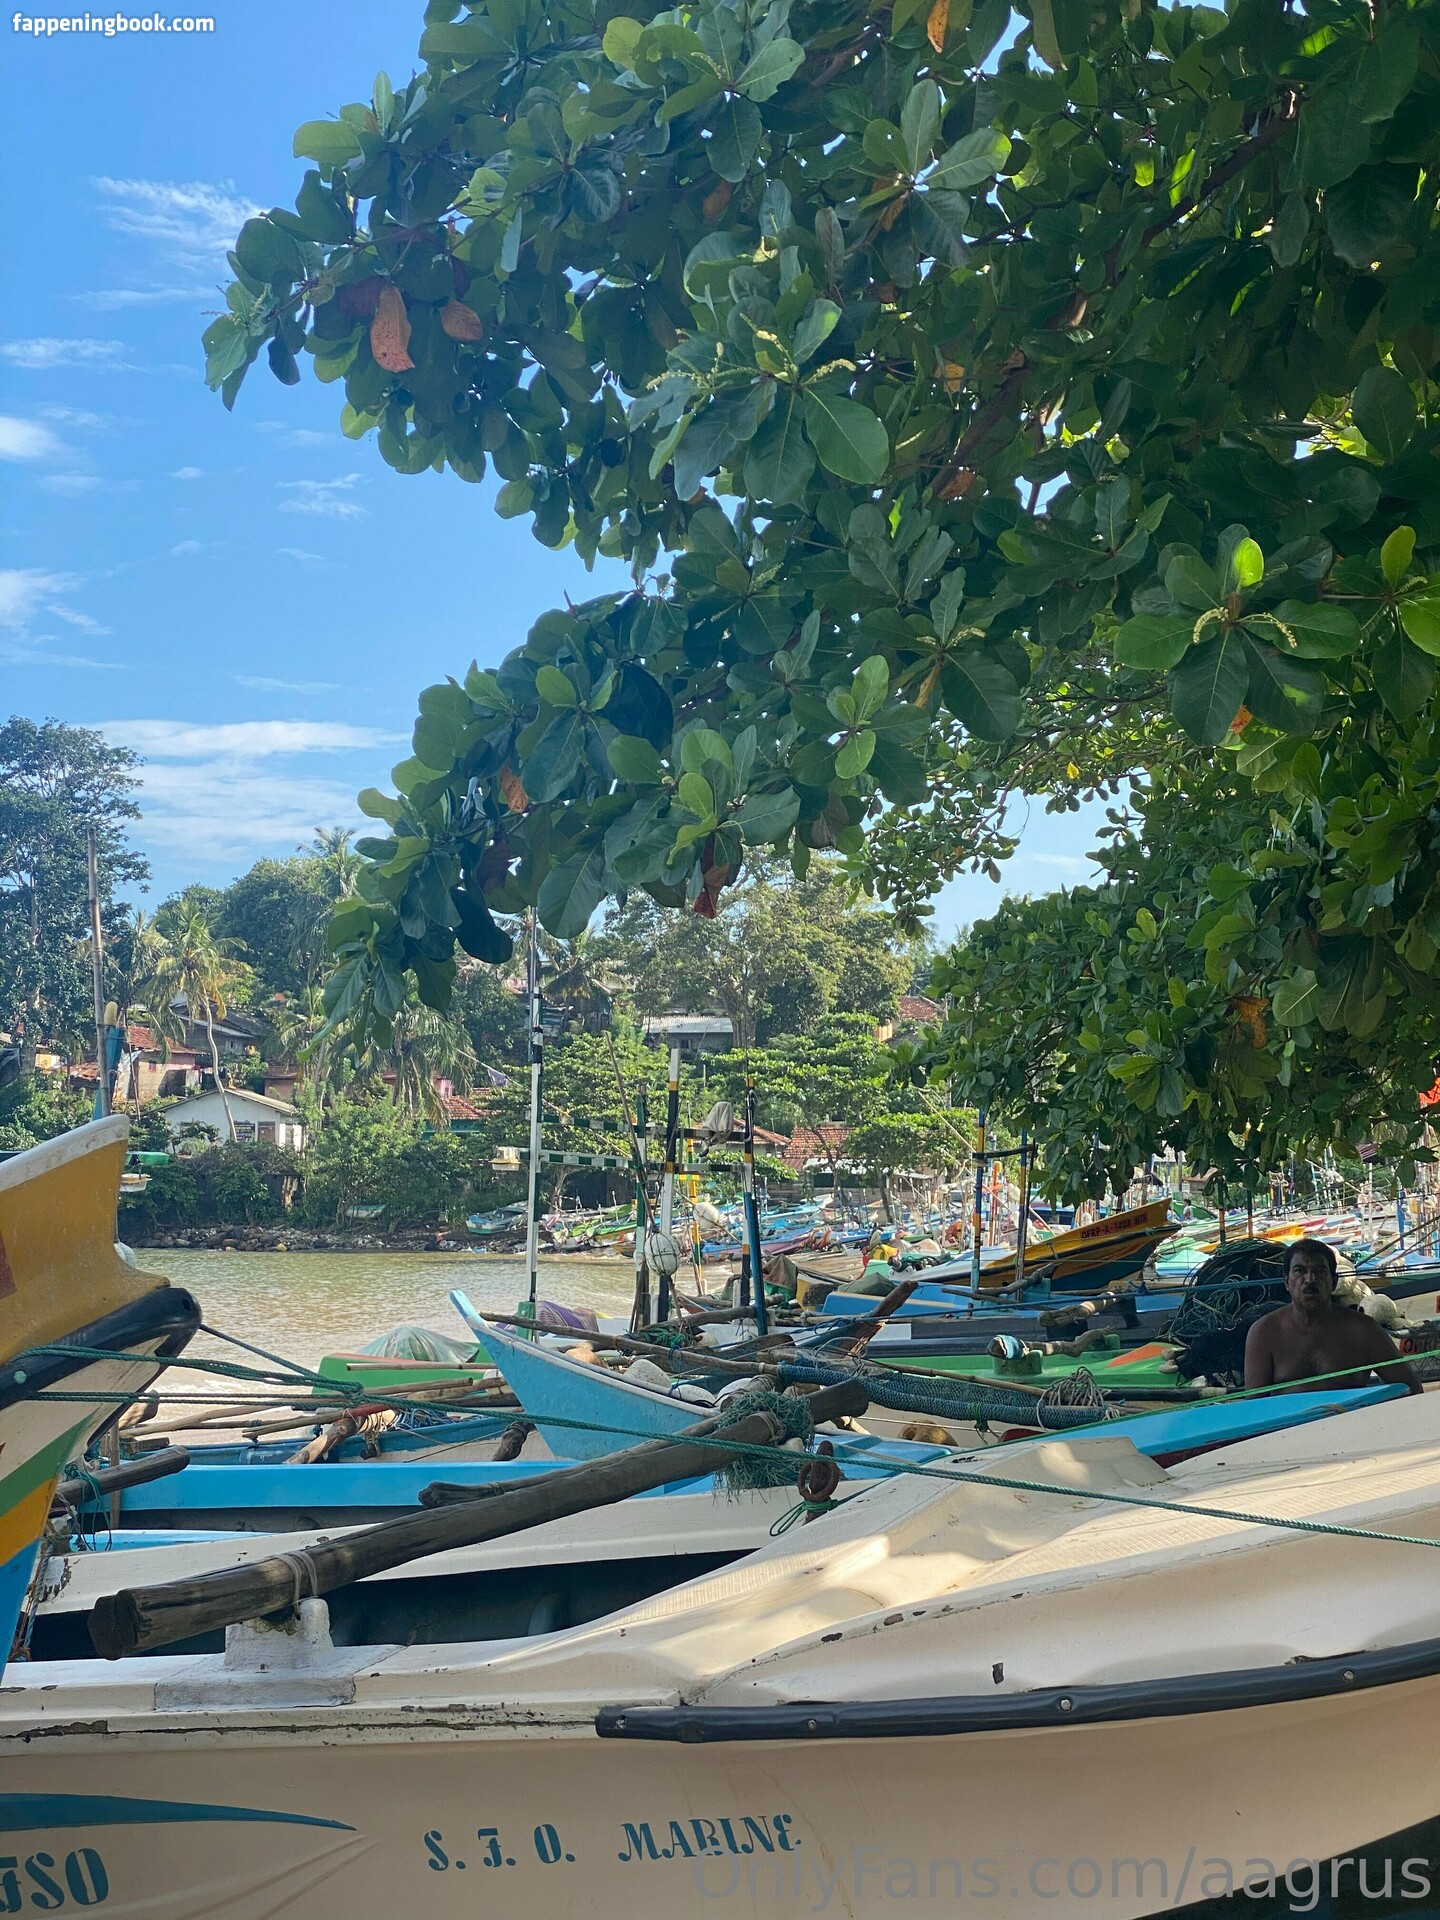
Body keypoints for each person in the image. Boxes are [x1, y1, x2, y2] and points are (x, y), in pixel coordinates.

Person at [1243, 1238, 1421, 1395]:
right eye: (1299, 1271)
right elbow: (1253, 1408)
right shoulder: (1264, 1333)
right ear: (1286, 1282)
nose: (1310, 1279)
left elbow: (1411, 1389)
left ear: (1334, 1281)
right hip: (1289, 1423)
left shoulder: (1364, 1330)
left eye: (1319, 1271)